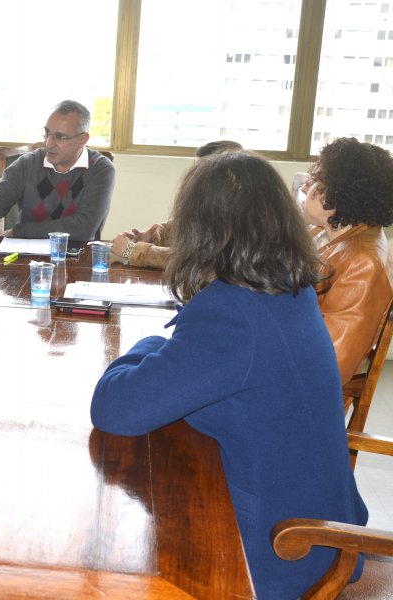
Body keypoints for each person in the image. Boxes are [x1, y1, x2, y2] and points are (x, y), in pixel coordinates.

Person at [90, 151, 367, 598]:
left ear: (203, 230)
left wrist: (149, 344)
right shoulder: (286, 288)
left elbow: (114, 407)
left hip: (282, 551)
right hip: (320, 527)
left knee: (114, 562)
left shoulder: (233, 314)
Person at [0, 100, 114, 241]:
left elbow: (81, 229)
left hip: (78, 260)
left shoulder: (100, 169)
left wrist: (21, 231)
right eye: (47, 133)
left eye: (60, 137)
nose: (49, 144)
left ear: (82, 139)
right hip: (27, 258)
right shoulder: (28, 164)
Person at [301, 136, 393, 385]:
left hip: (302, 394)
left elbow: (330, 365)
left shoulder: (362, 262)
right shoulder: (339, 234)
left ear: (340, 194)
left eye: (316, 180)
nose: (304, 188)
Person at [111, 140, 243, 269]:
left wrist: (132, 251)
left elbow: (202, 264)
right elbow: (185, 228)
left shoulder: (243, 212)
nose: (194, 178)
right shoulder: (213, 202)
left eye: (201, 173)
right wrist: (155, 236)